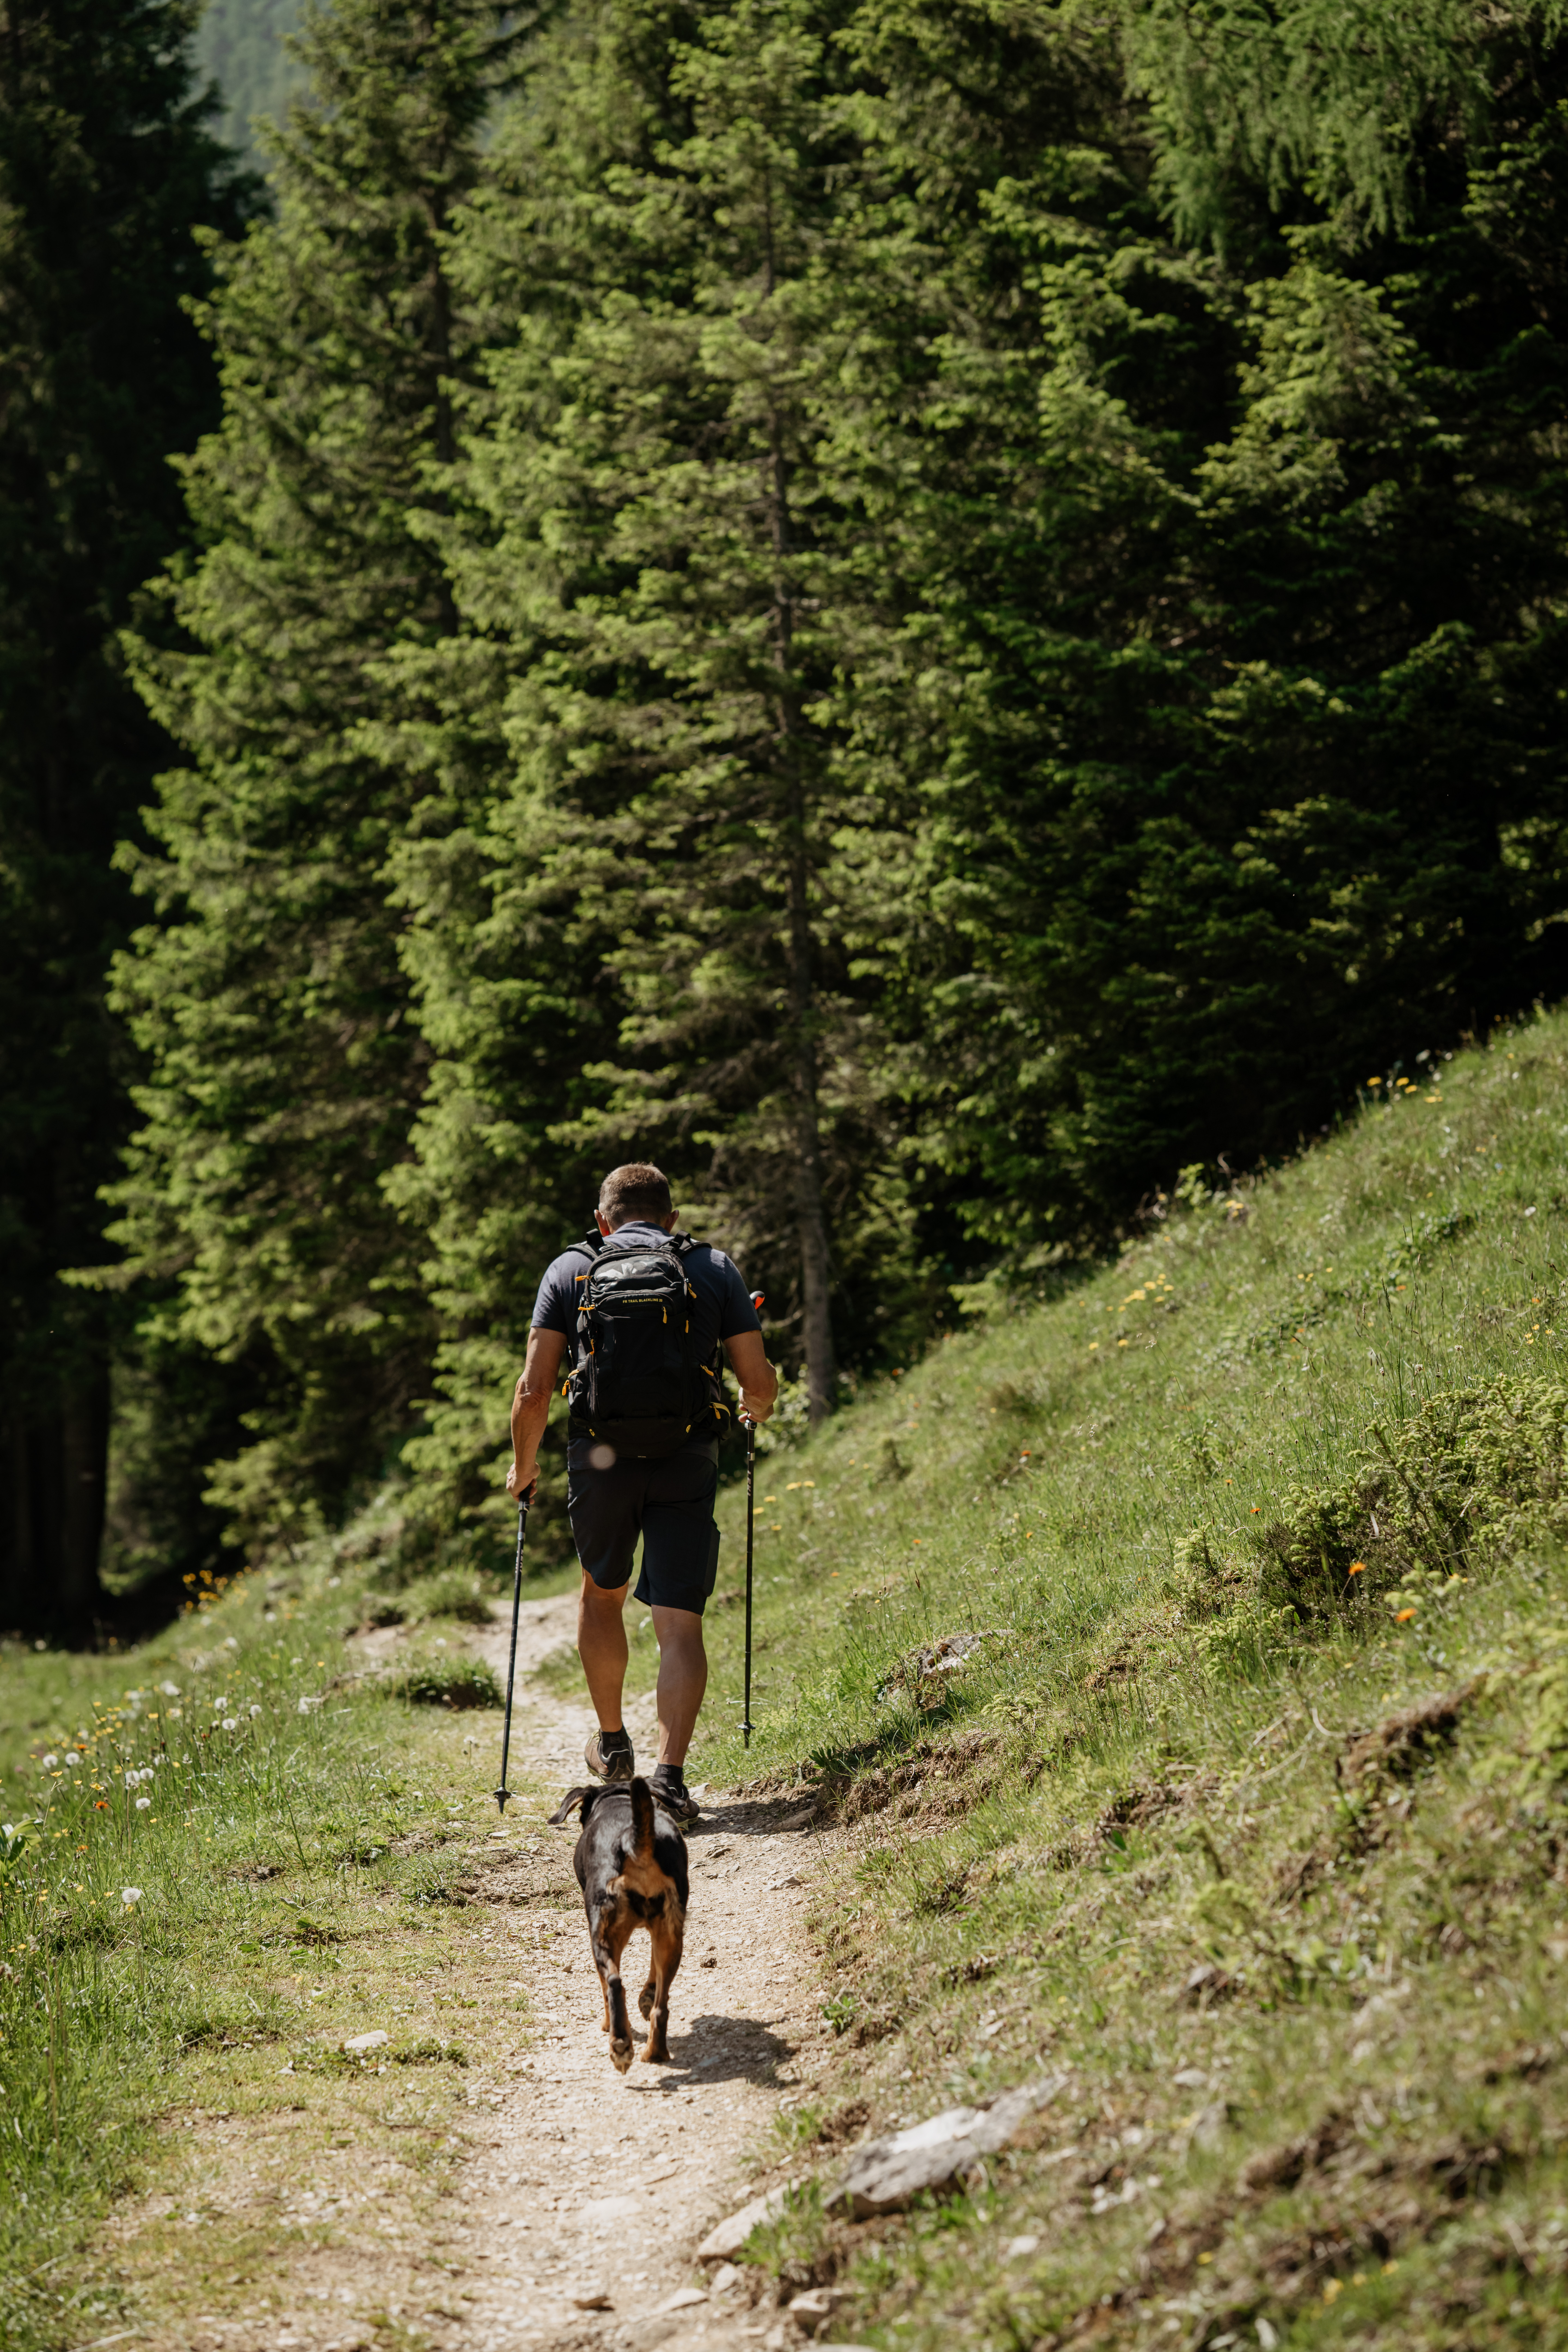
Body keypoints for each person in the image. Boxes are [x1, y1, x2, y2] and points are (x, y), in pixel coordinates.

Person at [507, 1162, 777, 1824]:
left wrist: (523, 1469)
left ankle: (613, 1742)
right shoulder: (712, 1268)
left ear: (603, 1222)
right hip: (688, 1454)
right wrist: (753, 1413)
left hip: (601, 1459)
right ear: (671, 1218)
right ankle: (672, 1779)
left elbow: (534, 1390)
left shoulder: (569, 1271)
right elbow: (760, 1384)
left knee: (603, 1595)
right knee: (679, 1619)